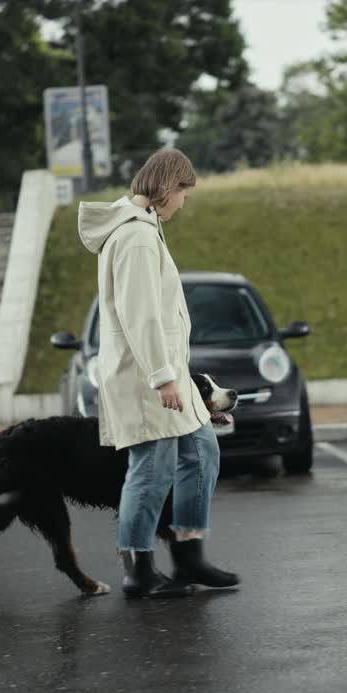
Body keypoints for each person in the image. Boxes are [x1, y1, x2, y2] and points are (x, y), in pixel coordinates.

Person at [77, 148, 240, 598]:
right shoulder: (136, 238)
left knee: (202, 450)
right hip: (148, 375)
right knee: (151, 468)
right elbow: (142, 315)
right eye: (184, 193)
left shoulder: (144, 230)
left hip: (165, 370)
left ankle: (189, 557)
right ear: (167, 188)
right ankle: (138, 570)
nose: (184, 204)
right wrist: (163, 376)